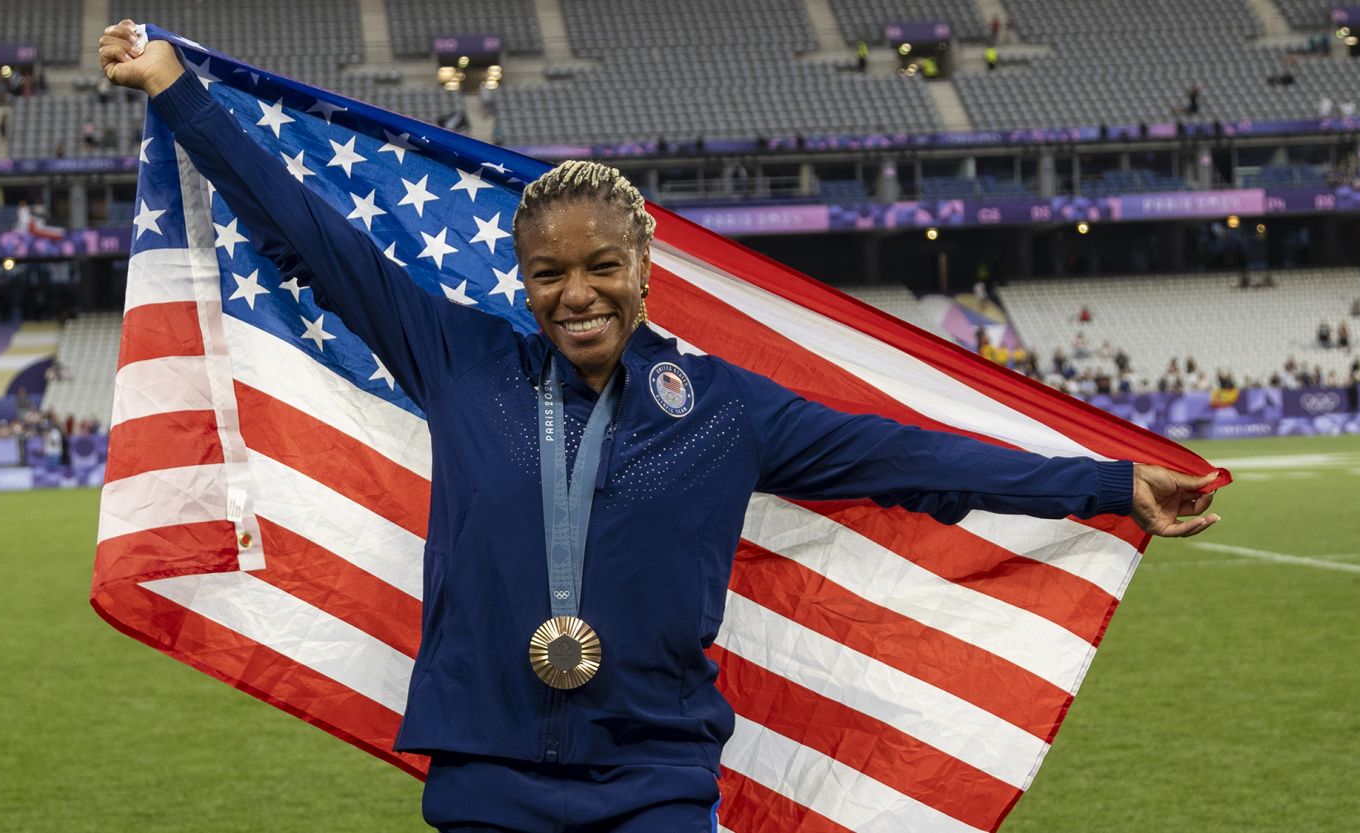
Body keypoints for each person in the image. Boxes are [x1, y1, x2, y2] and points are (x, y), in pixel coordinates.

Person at [99, 22, 1223, 831]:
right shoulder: (463, 358)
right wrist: (176, 89)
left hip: (656, 781)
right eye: (549, 273)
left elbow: (910, 459)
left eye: (600, 266)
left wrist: (1108, 482)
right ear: (521, 280)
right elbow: (315, 232)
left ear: (642, 270)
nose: (575, 291)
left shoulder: (726, 408)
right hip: (487, 774)